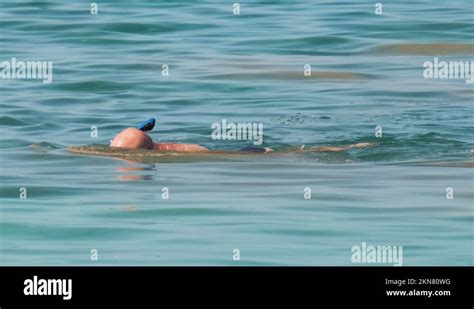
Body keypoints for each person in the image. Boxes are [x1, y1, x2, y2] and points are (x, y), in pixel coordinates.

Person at [110, 118, 370, 153]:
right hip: (223, 154)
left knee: (293, 153)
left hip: (232, 156)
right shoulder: (143, 141)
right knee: (289, 153)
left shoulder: (143, 146)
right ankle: (344, 146)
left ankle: (342, 147)